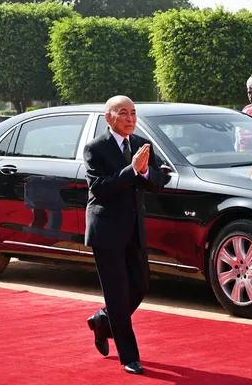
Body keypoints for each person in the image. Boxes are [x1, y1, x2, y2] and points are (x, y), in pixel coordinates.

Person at [84, 95, 166, 375]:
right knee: (118, 296)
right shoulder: (96, 148)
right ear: (109, 117)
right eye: (123, 113)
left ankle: (103, 320)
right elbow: (100, 188)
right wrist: (132, 170)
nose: (130, 118)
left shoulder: (142, 145)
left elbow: (159, 180)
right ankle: (129, 356)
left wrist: (144, 173)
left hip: (134, 230)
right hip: (106, 231)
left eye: (133, 112)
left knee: (141, 285)